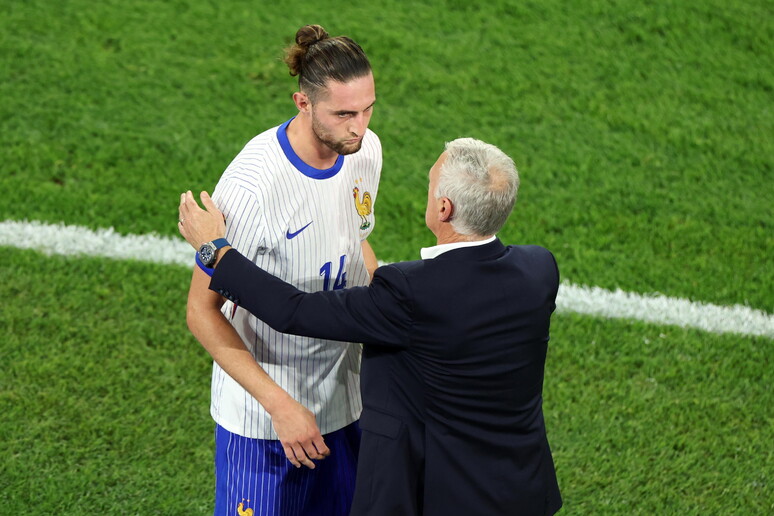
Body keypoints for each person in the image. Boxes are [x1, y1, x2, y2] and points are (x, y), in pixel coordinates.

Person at [178, 137, 563, 516]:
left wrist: (214, 249)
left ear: (444, 208)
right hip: (520, 489)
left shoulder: (411, 293)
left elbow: (293, 311)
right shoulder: (539, 269)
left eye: (430, 187)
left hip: (441, 494)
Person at [182, 24, 381, 516]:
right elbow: (202, 312)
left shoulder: (365, 151)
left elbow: (356, 243)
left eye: (367, 108)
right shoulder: (253, 189)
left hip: (342, 402)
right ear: (303, 102)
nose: (359, 126)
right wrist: (280, 406)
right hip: (264, 426)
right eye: (343, 114)